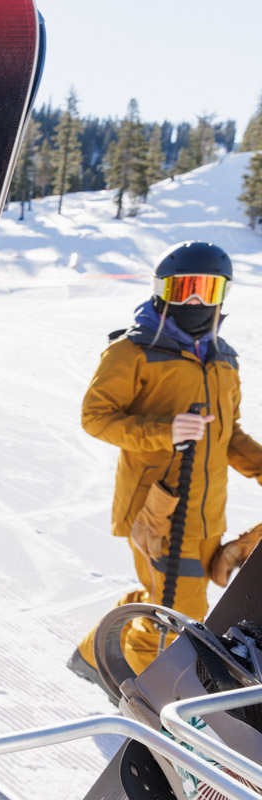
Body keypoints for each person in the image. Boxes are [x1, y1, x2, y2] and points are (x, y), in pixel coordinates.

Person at [70, 241, 262, 688]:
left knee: (162, 596)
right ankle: (141, 695)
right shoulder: (132, 351)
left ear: (221, 296)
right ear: (163, 291)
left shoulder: (223, 361)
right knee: (175, 615)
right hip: (158, 512)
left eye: (207, 289)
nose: (195, 300)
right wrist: (166, 431)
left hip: (207, 512)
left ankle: (93, 654)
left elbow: (227, 434)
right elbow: (96, 418)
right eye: (185, 288)